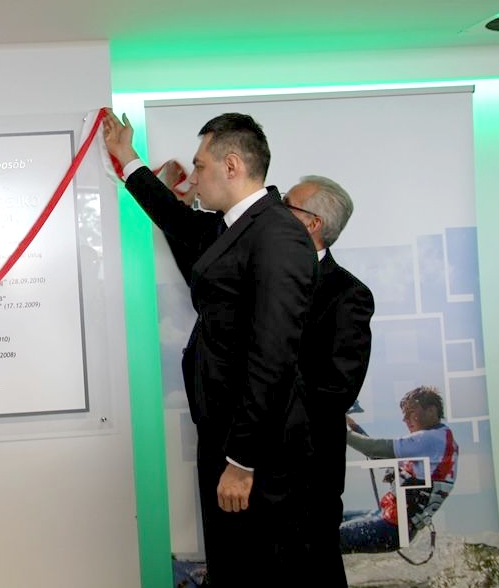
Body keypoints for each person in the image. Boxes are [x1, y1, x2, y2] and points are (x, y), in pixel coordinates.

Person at [103, 110, 318, 585]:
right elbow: (176, 218)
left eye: (200, 166)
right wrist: (127, 158)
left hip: (257, 450)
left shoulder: (277, 235)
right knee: (232, 564)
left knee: (261, 568)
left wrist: (242, 461)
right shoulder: (233, 226)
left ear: (232, 165)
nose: (194, 177)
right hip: (226, 432)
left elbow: (272, 357)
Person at [285, 175, 375, 585]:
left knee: (316, 566)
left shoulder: (348, 294)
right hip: (258, 463)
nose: (276, 210)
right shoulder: (264, 278)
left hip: (309, 463)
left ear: (313, 222)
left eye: (287, 204)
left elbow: (337, 388)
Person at [341, 386, 458, 554]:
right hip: (389, 518)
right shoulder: (440, 439)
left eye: (410, 413)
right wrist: (351, 424)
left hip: (392, 527)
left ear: (431, 411)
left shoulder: (431, 439)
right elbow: (377, 456)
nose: (404, 419)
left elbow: (372, 448)